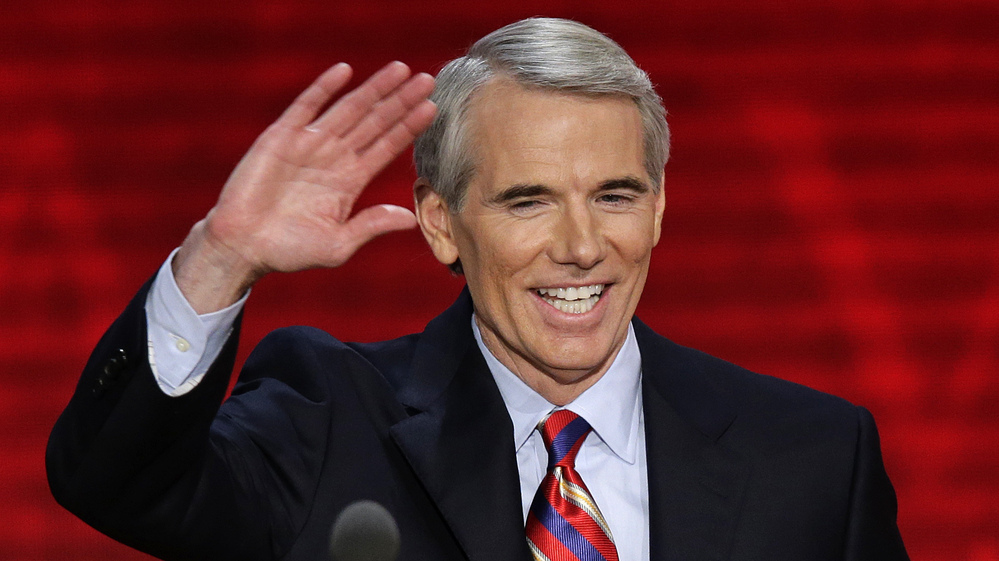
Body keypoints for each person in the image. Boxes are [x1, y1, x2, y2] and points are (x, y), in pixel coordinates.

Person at [47, 17, 909, 561]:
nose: (580, 247)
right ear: (440, 223)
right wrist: (220, 256)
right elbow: (116, 484)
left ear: (657, 210)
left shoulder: (814, 457)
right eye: (526, 200)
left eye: (614, 195)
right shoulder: (329, 419)